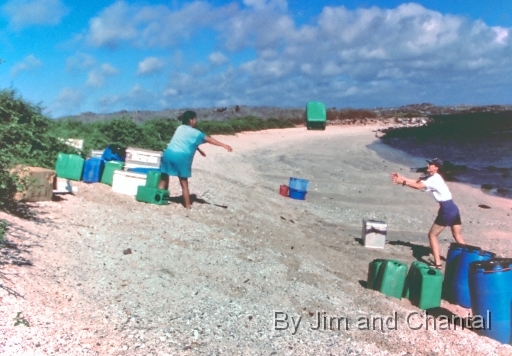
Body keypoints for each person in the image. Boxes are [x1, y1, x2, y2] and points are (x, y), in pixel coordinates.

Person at [390, 158, 466, 268]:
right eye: (429, 163)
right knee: (457, 235)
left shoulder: (434, 179)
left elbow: (418, 186)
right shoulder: (432, 177)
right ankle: (468, 259)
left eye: (431, 164)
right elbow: (417, 182)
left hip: (447, 209)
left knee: (432, 235)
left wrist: (403, 182)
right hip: (453, 208)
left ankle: (438, 263)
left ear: (436, 168)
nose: (428, 165)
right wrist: (402, 178)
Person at [159, 110, 233, 209]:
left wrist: (199, 150)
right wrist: (224, 145)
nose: (196, 121)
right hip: (181, 157)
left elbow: (184, 141)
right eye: (195, 119)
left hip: (168, 154)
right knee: (184, 183)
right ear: (191, 120)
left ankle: (159, 198)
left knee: (164, 178)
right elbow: (209, 139)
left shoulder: (180, 128)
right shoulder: (196, 133)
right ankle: (188, 207)